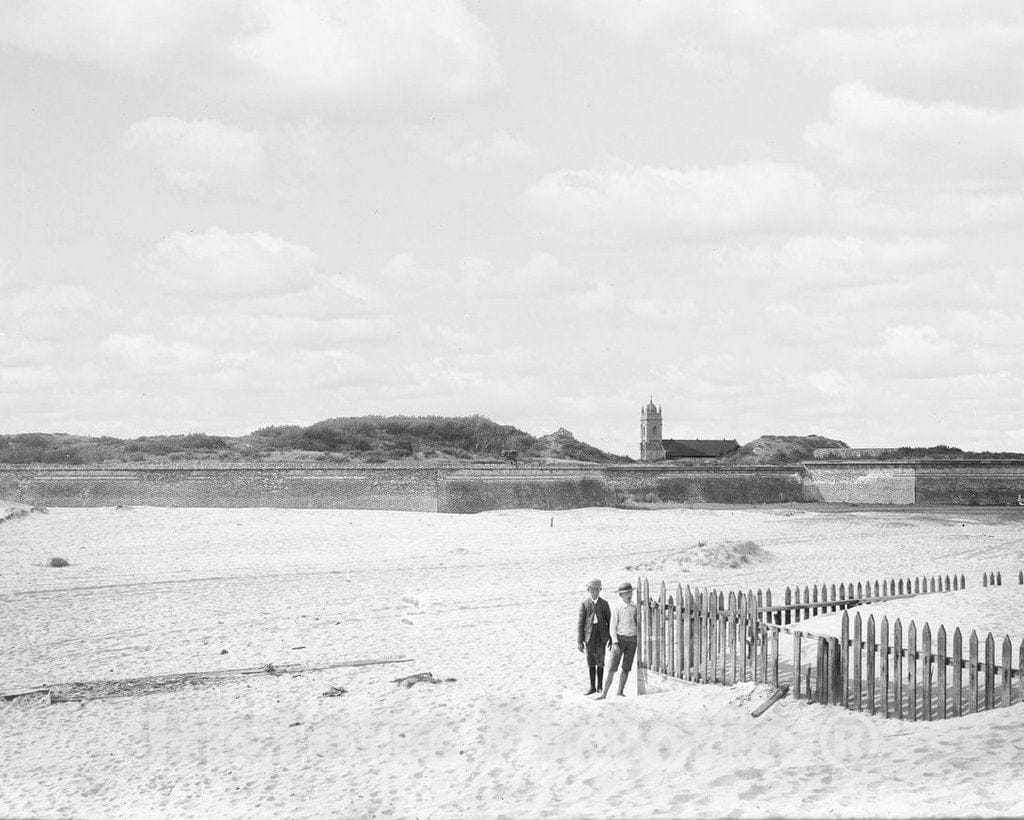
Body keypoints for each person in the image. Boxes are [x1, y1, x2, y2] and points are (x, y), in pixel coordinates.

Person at [596, 581, 638, 700]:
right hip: (619, 640)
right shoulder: (617, 607)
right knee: (612, 668)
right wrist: (615, 641)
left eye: (630, 592)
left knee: (626, 667)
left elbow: (638, 622)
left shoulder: (635, 607)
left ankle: (620, 691)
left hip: (632, 640)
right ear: (621, 595)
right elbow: (612, 626)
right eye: (626, 593)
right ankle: (604, 694)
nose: (629, 594)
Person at [577, 578, 611, 695]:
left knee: (600, 661)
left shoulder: (604, 604)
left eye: (597, 589)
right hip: (589, 636)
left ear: (600, 590)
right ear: (588, 590)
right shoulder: (584, 604)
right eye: (592, 590)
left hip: (601, 635)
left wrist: (610, 638)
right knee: (590, 660)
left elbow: (610, 621)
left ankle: (600, 687)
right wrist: (579, 641)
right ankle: (592, 687)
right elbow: (580, 623)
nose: (594, 592)